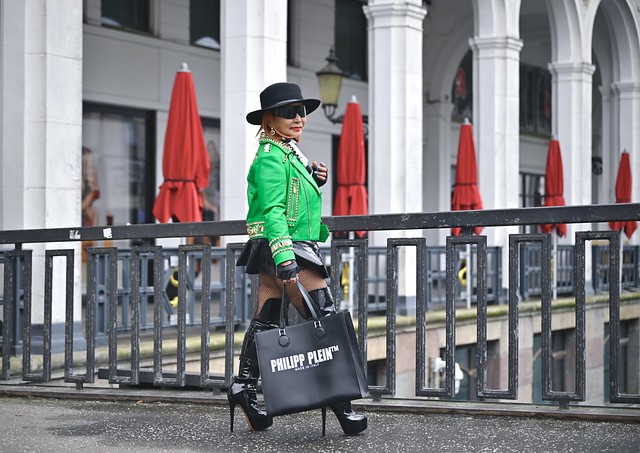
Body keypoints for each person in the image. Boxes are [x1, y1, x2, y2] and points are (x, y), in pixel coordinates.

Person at [228, 82, 367, 435]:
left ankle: (243, 388)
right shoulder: (271, 157)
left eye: (302, 110)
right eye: (288, 111)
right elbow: (273, 210)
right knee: (327, 321)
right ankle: (340, 402)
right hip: (285, 248)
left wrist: (314, 180)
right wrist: (286, 256)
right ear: (268, 120)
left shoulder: (287, 152)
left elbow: (289, 202)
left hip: (280, 247)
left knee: (266, 321)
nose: (299, 118)